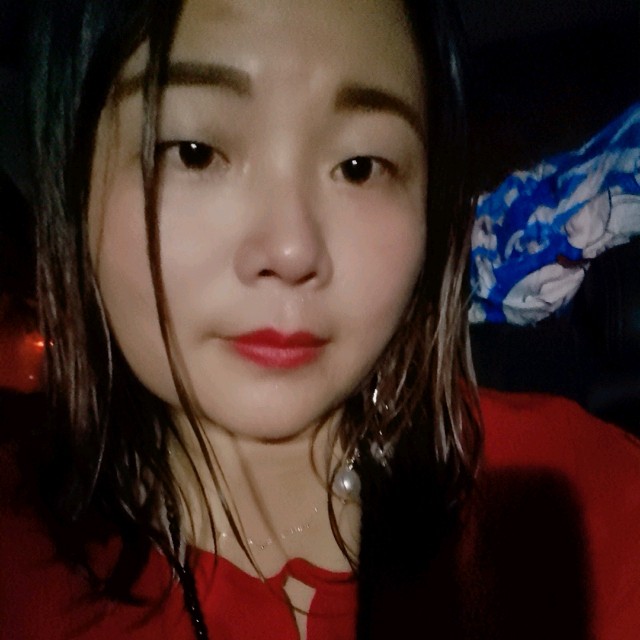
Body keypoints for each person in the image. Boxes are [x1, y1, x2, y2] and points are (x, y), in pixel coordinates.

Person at [0, 1, 638, 639]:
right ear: (74, 180)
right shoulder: (21, 576)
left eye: (360, 168)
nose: (291, 249)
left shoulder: (583, 499)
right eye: (194, 153)